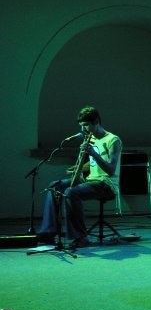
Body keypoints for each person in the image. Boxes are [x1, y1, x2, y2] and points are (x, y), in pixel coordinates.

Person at [37, 106, 122, 249]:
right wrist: (79, 168)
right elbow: (94, 164)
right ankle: (48, 233)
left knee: (71, 192)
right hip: (90, 180)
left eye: (86, 125)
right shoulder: (91, 138)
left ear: (96, 121)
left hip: (106, 183)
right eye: (81, 125)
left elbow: (111, 169)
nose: (83, 129)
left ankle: (80, 237)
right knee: (54, 186)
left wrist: (93, 153)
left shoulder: (113, 140)